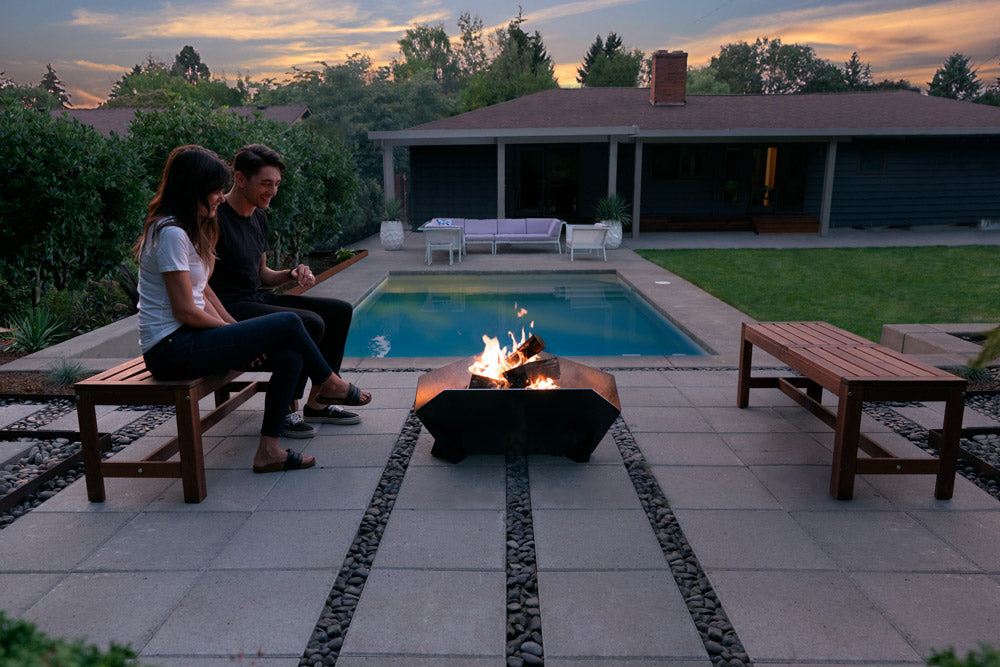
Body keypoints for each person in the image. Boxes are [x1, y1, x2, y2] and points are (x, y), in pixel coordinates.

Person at [135, 144, 372, 474]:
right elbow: (186, 311)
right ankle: (329, 382)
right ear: (194, 189)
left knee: (291, 356)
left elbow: (203, 290)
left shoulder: (186, 230)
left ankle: (268, 451)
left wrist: (238, 333)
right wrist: (234, 332)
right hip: (172, 348)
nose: (219, 197)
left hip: (191, 339)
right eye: (214, 190)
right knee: (292, 322)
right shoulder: (171, 233)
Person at [209, 143, 359, 438]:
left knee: (340, 311)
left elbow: (262, 274)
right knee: (309, 321)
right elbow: (202, 285)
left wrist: (291, 273)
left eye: (277, 184)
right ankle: (289, 410)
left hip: (255, 297)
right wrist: (226, 325)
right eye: (266, 183)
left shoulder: (259, 217)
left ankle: (318, 402)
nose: (273, 191)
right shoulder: (216, 218)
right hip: (229, 307)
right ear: (240, 179)